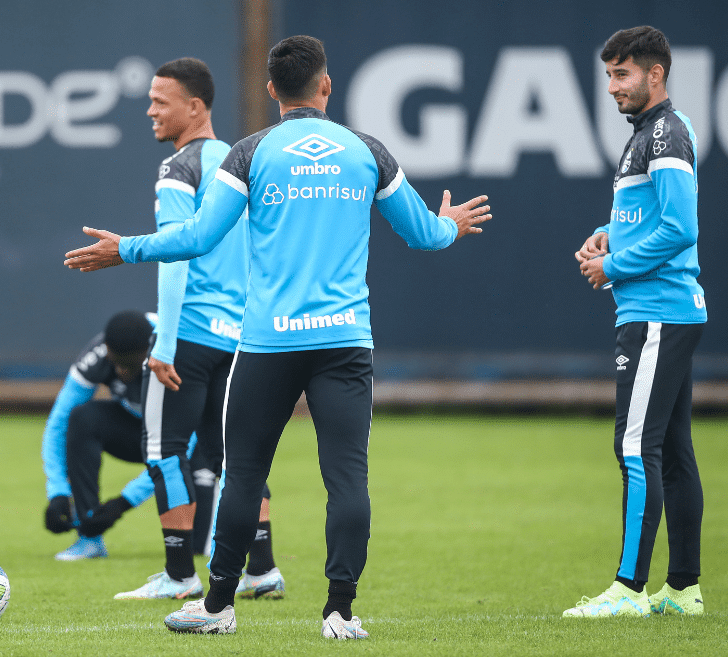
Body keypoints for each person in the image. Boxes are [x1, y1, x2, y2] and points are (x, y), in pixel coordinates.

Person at [65, 35, 490, 638]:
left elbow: (195, 239)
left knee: (242, 473)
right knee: (346, 478)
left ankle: (216, 608)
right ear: (327, 86)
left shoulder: (250, 153)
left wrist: (124, 250)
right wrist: (451, 224)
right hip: (344, 343)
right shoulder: (366, 151)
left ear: (271, 91)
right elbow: (424, 235)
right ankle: (340, 612)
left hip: (268, 345)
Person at [112, 58, 282, 602]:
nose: (150, 110)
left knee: (164, 451)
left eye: (161, 101)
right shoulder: (240, 163)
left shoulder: (179, 167)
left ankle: (180, 575)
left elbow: (176, 257)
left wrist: (162, 342)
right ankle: (263, 570)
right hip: (237, 336)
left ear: (196, 107)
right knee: (235, 456)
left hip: (186, 335)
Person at [565, 25, 706, 619]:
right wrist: (610, 233)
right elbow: (653, 214)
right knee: (672, 452)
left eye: (622, 75)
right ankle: (683, 590)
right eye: (608, 76)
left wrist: (614, 265)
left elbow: (681, 228)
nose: (612, 87)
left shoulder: (665, 133)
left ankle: (628, 588)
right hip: (662, 312)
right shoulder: (648, 134)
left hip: (655, 313)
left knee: (634, 447)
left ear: (656, 75)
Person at [41, 311, 180, 560]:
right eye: (116, 362)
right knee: (82, 419)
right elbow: (58, 423)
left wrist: (124, 502)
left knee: (199, 549)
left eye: (128, 365)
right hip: (139, 433)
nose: (120, 372)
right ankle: (89, 538)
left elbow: (188, 441)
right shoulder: (98, 354)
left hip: (186, 441)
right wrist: (58, 492)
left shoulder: (178, 350)